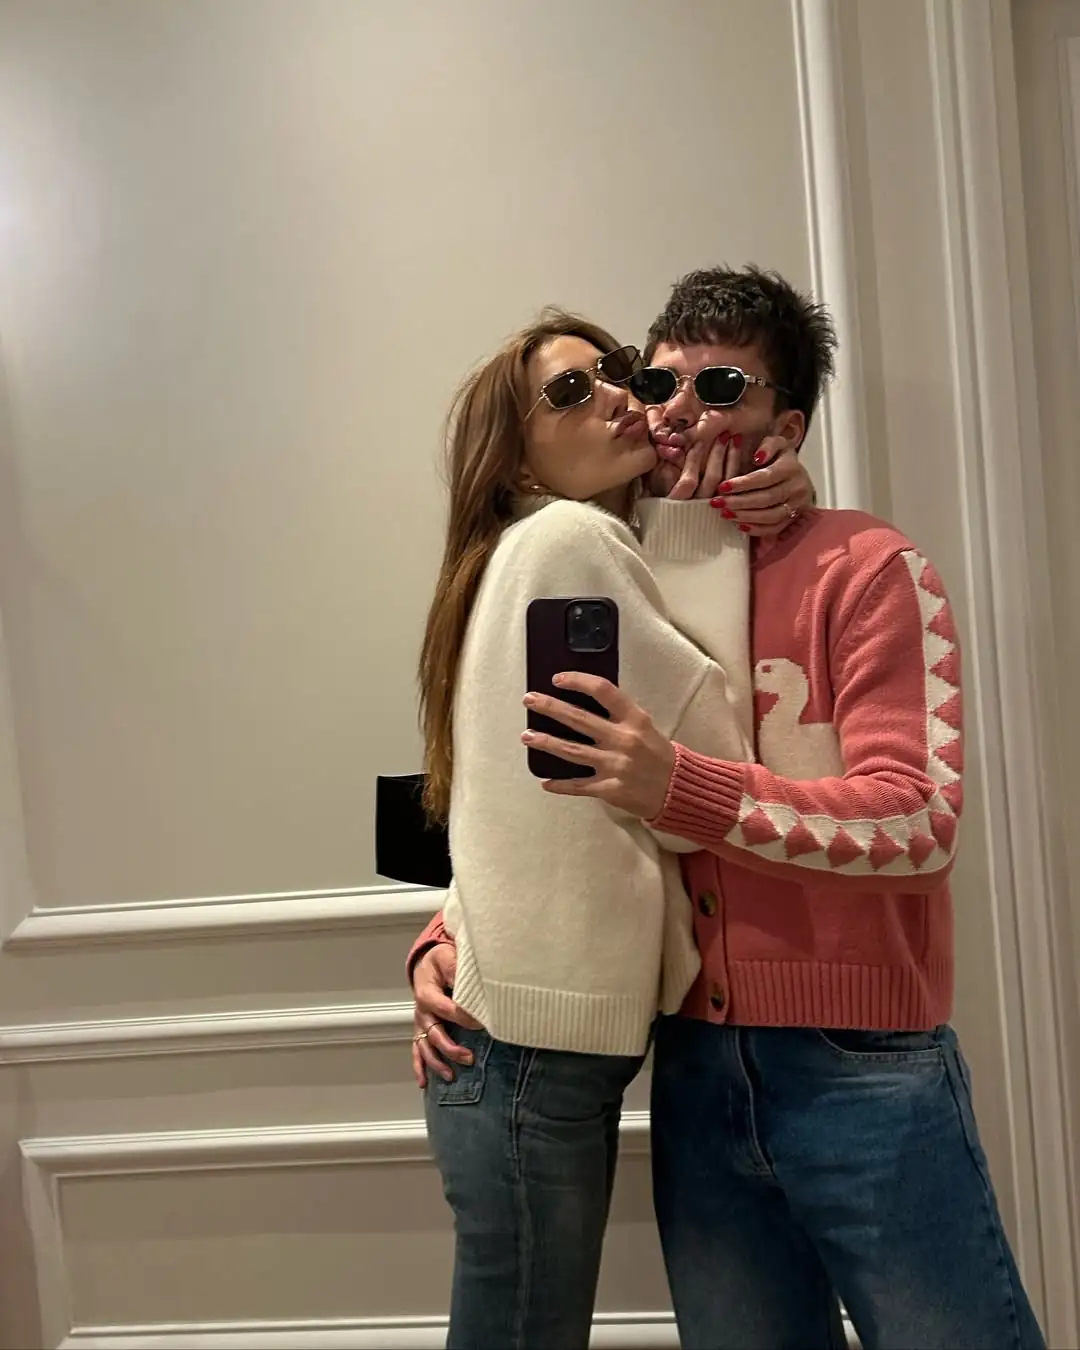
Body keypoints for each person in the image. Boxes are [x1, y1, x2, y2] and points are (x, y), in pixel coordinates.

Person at [411, 266, 1047, 1350]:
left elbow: (919, 822)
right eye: (658, 381)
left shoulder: (869, 568)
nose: (672, 411)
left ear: (783, 426)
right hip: (696, 1063)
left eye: (720, 389)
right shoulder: (610, 559)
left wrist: (685, 789)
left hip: (859, 1063)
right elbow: (521, 788)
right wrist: (442, 932)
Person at [412, 304, 813, 1350]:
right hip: (531, 1059)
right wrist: (691, 536)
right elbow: (718, 761)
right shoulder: (575, 540)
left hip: (518, 1051)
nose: (619, 397)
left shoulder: (522, 553)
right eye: (570, 391)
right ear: (517, 459)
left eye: (619, 371)